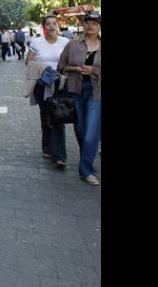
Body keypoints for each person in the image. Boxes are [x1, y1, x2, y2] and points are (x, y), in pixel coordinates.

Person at [58, 11, 101, 186]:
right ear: (83, 25)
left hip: (96, 92)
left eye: (95, 23)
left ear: (99, 26)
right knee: (81, 130)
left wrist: (94, 71)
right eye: (87, 22)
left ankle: (86, 170)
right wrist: (74, 69)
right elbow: (61, 66)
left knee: (91, 132)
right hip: (75, 90)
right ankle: (87, 157)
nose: (90, 25)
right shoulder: (73, 45)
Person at [25, 15, 70, 169]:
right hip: (42, 84)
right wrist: (42, 68)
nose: (52, 26)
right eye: (48, 24)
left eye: (54, 23)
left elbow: (70, 61)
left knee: (58, 116)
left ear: (58, 25)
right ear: (44, 26)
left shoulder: (65, 42)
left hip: (60, 83)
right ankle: (47, 148)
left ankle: (59, 155)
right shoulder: (37, 42)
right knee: (45, 117)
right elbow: (28, 62)